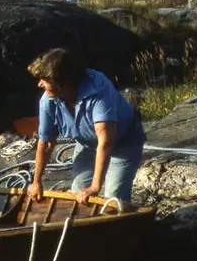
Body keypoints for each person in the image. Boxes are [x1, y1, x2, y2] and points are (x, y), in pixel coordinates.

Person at [25, 47, 145, 206]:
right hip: (87, 145)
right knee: (78, 192)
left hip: (123, 143)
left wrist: (95, 187)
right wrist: (36, 182)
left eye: (44, 80)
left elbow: (106, 142)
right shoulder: (48, 101)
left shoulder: (99, 90)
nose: (40, 84)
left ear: (63, 82)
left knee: (113, 199)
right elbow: (46, 142)